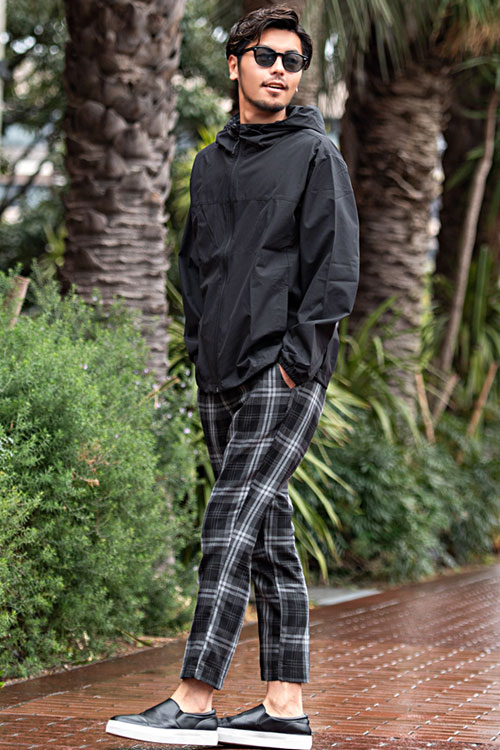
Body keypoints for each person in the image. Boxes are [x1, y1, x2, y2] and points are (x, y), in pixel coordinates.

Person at [106, 5, 359, 749]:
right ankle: (284, 707)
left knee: (229, 520)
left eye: (292, 60)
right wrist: (198, 347)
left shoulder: (316, 156)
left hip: (283, 372)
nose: (280, 70)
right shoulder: (210, 165)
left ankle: (193, 698)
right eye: (266, 56)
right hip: (219, 373)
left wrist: (295, 363)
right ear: (235, 64)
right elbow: (197, 265)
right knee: (266, 532)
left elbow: (335, 272)